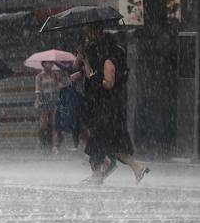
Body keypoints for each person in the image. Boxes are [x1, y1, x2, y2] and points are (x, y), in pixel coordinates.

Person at [76, 23, 149, 185]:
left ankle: (99, 173)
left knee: (100, 142)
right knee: (111, 144)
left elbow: (108, 83)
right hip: (107, 108)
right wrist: (84, 61)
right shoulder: (109, 57)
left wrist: (93, 76)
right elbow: (87, 73)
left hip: (106, 109)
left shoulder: (109, 61)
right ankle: (135, 167)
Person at [35, 61, 62, 154]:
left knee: (54, 123)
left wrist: (58, 80)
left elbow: (59, 86)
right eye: (47, 63)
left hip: (54, 99)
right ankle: (42, 143)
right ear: (43, 64)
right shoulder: (40, 76)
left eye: (50, 63)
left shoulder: (55, 74)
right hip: (44, 100)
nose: (49, 65)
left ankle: (54, 145)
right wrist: (38, 99)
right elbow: (38, 89)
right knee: (43, 125)